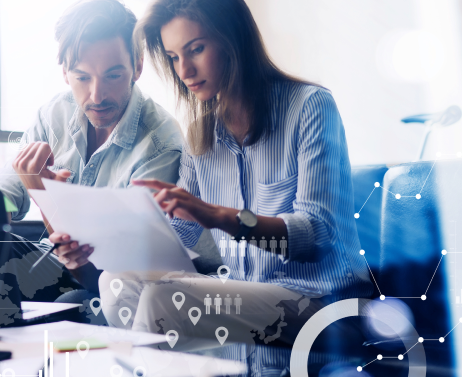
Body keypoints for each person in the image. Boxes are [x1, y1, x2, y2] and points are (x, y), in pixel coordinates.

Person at [48, 0, 372, 352]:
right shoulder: (203, 134)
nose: (184, 70)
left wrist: (219, 216)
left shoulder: (310, 106)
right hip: (250, 298)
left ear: (234, 41)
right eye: (173, 57)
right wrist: (95, 247)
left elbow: (316, 237)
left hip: (323, 304)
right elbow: (178, 237)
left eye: (196, 49)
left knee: (163, 300)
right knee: (116, 283)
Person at [0, 0, 205, 306]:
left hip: (105, 288)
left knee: (71, 301)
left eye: (113, 76)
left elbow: (112, 279)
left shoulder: (160, 145)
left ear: (137, 66)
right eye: (82, 77)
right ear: (65, 72)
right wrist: (5, 207)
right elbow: (2, 199)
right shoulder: (52, 116)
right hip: (47, 265)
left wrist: (44, 194)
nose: (97, 96)